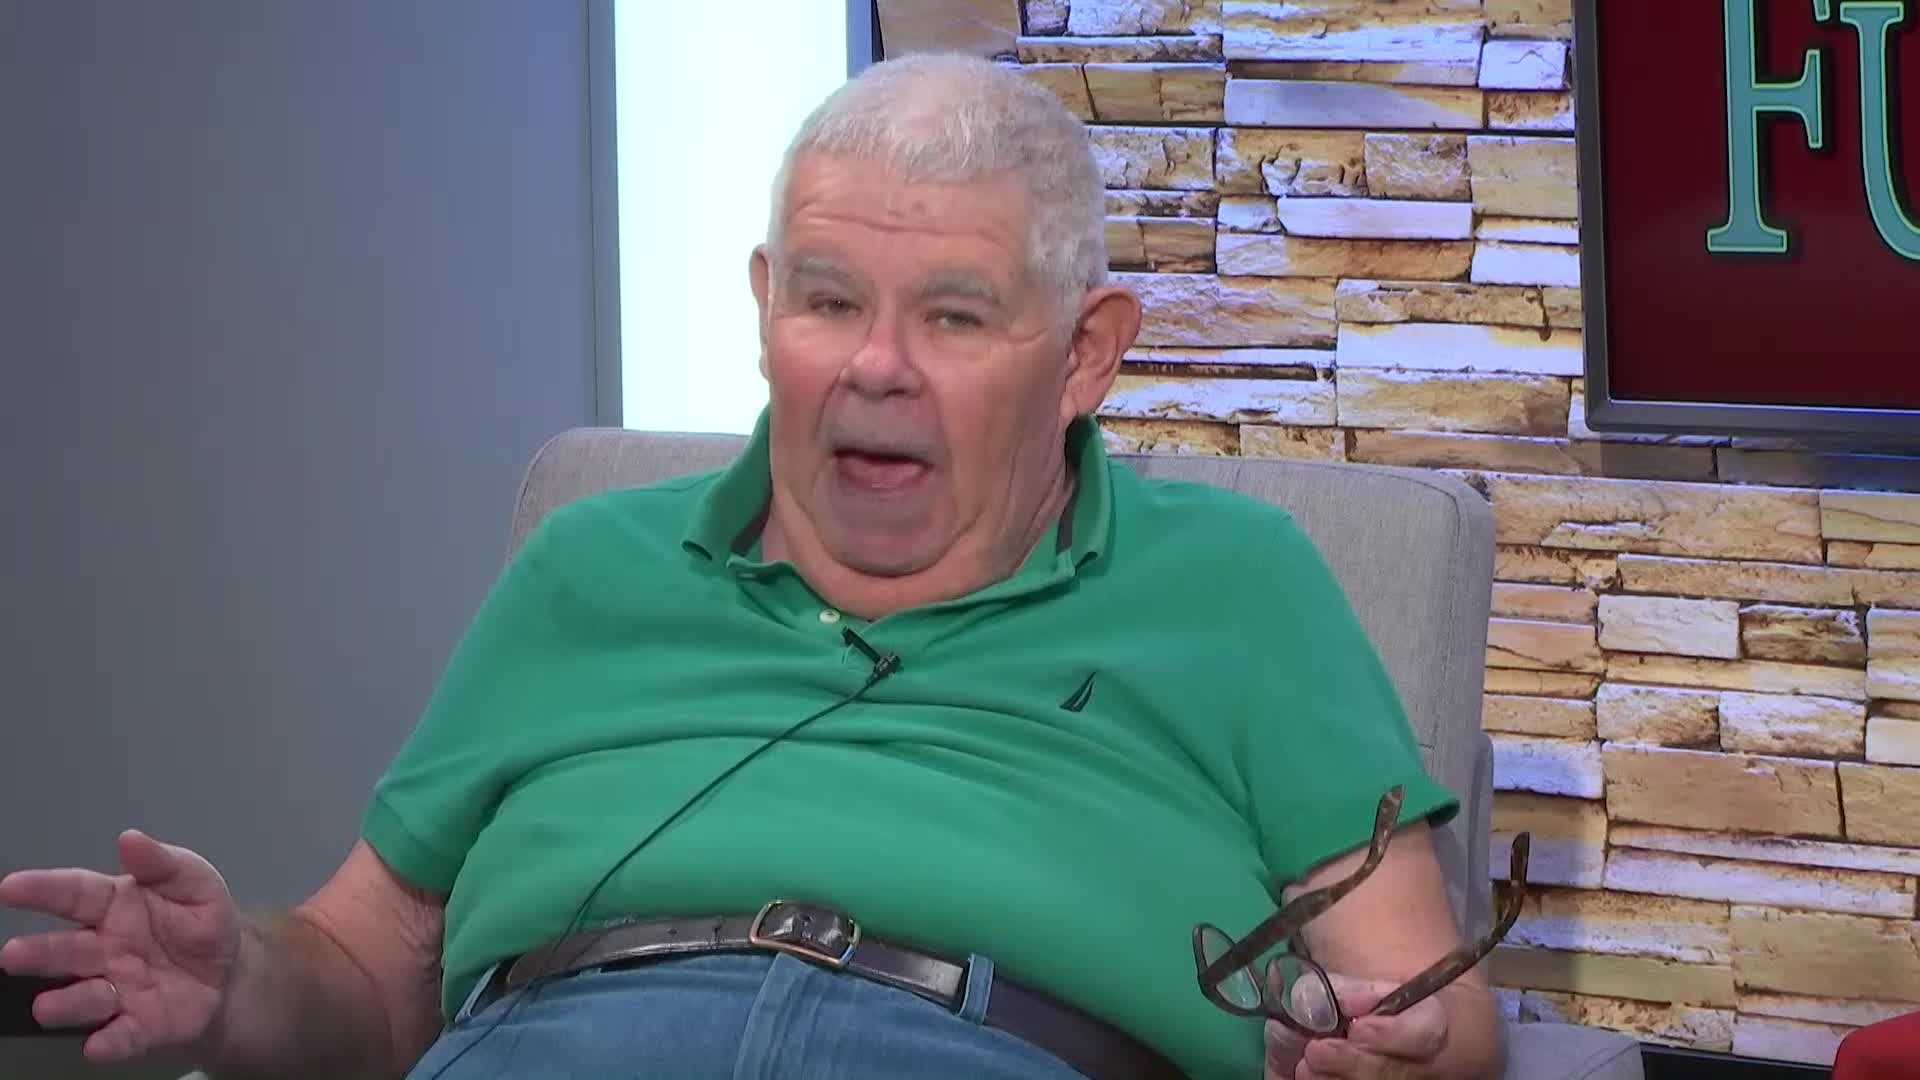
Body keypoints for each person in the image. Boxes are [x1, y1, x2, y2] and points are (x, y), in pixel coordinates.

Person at [0, 53, 1506, 1080]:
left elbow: (1438, 1016)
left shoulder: (1239, 584)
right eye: (829, 302)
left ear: (1084, 356)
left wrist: (1386, 1054)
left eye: (955, 317)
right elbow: (372, 965)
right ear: (765, 305)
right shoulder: (591, 565)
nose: (874, 367)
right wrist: (238, 987)